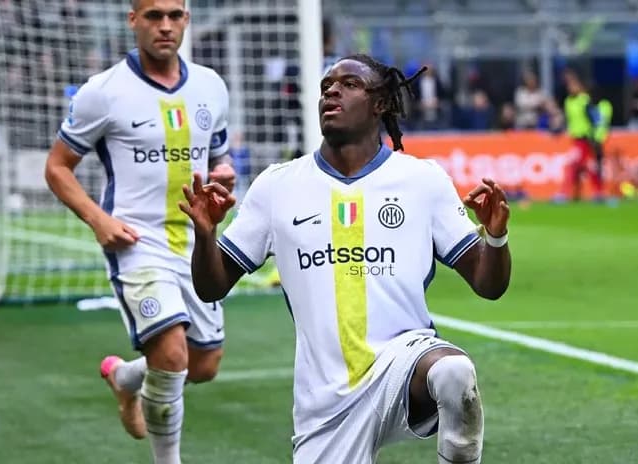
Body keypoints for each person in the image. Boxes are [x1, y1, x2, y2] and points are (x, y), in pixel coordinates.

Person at [178, 54, 513, 464]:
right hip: (325, 401)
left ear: (380, 105)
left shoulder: (421, 181)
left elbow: (488, 284)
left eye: (349, 83)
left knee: (453, 373)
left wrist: (495, 237)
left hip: (402, 364)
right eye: (326, 86)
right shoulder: (277, 186)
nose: (332, 91)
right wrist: (205, 233)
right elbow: (211, 286)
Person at [43, 1, 235, 462]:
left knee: (203, 365)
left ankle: (125, 378)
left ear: (187, 19)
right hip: (136, 241)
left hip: (194, 244)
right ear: (133, 20)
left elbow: (219, 160)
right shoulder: (103, 92)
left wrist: (223, 178)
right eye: (153, 16)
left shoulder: (210, 86)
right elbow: (57, 167)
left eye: (174, 15)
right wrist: (99, 219)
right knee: (171, 356)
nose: (164, 26)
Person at [560, 70, 603, 201]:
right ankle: (596, 193)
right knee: (583, 167)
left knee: (580, 166)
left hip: (585, 138)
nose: (571, 88)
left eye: (574, 85)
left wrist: (595, 136)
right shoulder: (568, 101)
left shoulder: (584, 100)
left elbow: (595, 118)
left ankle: (596, 193)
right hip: (576, 138)